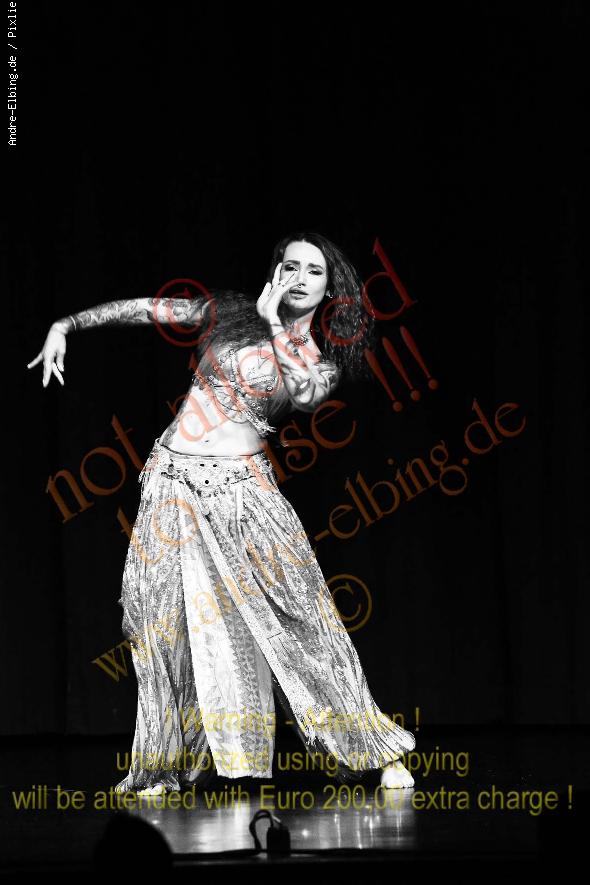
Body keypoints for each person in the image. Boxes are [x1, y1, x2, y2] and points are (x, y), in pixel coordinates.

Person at [27, 231, 416, 795]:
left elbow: (304, 396)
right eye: (290, 266)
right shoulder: (227, 313)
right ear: (275, 271)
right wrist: (67, 324)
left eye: (314, 271)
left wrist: (274, 322)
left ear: (331, 289)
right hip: (170, 484)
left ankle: (375, 751)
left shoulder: (321, 360)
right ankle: (166, 764)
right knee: (160, 623)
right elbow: (149, 310)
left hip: (243, 494)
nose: (299, 279)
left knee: (301, 619)